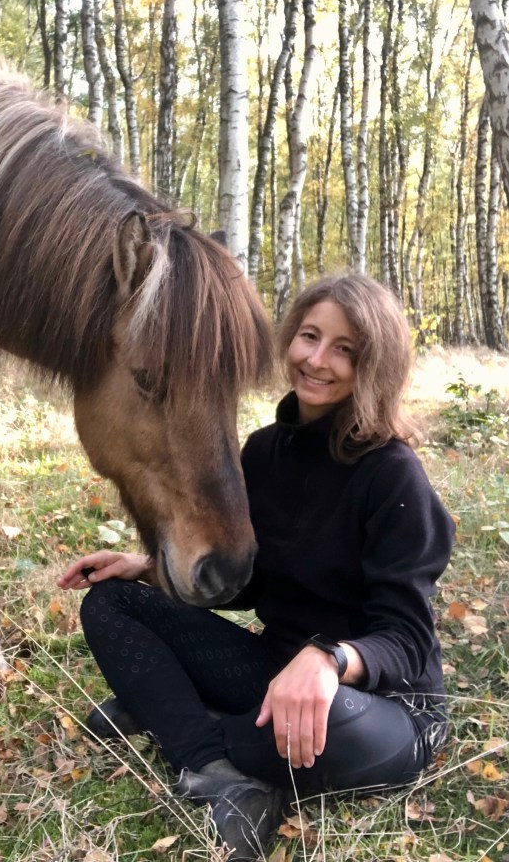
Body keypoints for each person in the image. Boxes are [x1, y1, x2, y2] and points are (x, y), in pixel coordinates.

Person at [57, 274, 454, 860]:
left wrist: (331, 660)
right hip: (274, 676)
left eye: (344, 349)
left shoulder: (393, 474)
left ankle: (174, 716)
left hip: (383, 706)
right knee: (110, 602)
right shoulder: (264, 451)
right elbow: (254, 584)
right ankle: (217, 767)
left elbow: (408, 639)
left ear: (373, 365)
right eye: (309, 336)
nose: (318, 360)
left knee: (325, 722)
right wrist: (144, 569)